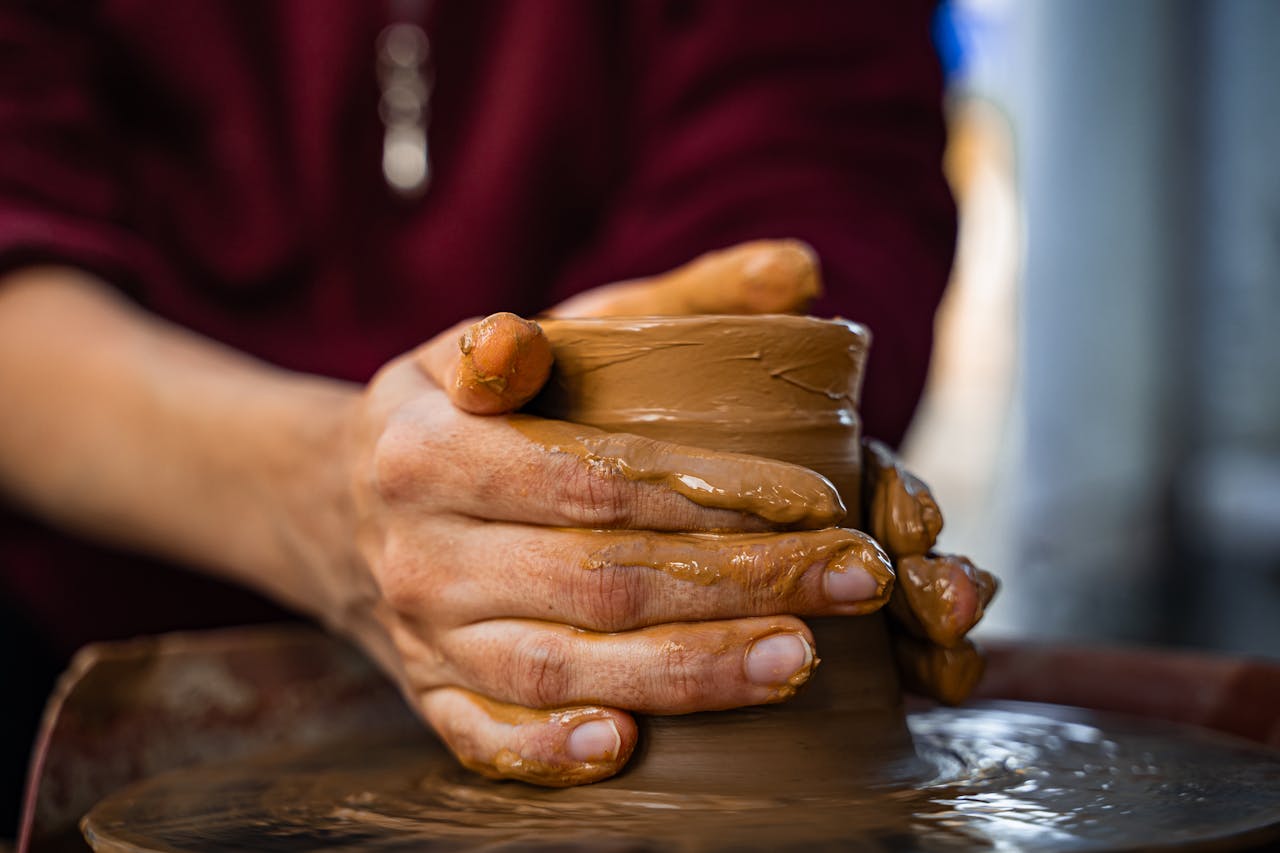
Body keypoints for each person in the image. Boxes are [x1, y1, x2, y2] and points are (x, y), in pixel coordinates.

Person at [0, 0, 967, 830]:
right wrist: (330, 492)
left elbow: (820, 164)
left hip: (663, 695)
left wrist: (651, 432)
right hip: (87, 633)